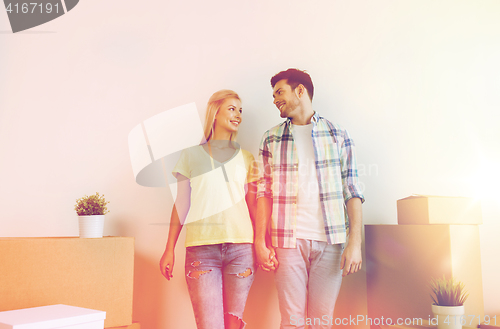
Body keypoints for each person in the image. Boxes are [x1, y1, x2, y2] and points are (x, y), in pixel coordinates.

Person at [254, 69, 365, 329]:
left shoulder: (338, 134)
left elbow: (353, 189)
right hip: (287, 242)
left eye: (279, 92)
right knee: (292, 322)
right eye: (273, 95)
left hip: (331, 242)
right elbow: (264, 191)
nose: (274, 100)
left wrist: (355, 243)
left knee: (321, 323)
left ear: (300, 90)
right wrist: (260, 241)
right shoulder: (271, 138)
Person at [160, 90, 258, 329]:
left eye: (240, 110)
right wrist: (169, 249)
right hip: (201, 252)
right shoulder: (190, 155)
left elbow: (254, 206)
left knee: (233, 325)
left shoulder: (247, 158)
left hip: (241, 250)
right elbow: (182, 203)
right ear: (215, 112)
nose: (238, 115)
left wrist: (262, 244)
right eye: (232, 108)